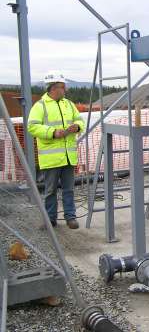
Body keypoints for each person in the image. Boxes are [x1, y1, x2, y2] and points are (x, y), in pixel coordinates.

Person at [27, 71, 85, 229]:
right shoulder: (40, 106)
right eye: (62, 87)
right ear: (53, 88)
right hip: (51, 159)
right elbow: (32, 126)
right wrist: (52, 132)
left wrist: (77, 127)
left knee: (69, 189)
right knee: (50, 190)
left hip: (68, 156)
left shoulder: (69, 104)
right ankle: (50, 219)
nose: (64, 90)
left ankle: (70, 217)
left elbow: (80, 120)